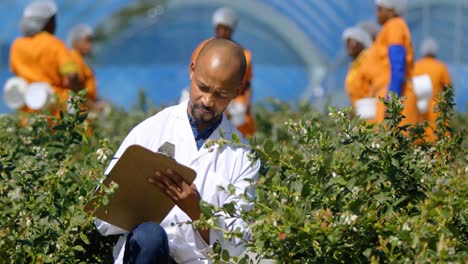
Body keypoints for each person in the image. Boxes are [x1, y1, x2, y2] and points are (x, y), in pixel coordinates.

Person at [95, 38, 261, 264]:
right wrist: (140, 201)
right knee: (149, 236)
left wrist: (198, 213)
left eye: (221, 94)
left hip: (200, 260)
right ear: (192, 71)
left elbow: (237, 245)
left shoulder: (242, 156)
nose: (208, 100)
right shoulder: (151, 130)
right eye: (203, 87)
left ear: (237, 91)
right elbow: (102, 217)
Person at [191, 7, 255, 138]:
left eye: (226, 29)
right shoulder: (204, 49)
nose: (222, 32)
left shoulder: (243, 55)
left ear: (232, 30)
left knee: (237, 135)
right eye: (219, 28)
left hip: (233, 102)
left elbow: (247, 84)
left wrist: (246, 107)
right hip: (211, 100)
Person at [10, 0, 80, 114]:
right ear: (47, 23)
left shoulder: (17, 45)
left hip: (28, 107)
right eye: (53, 20)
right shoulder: (54, 44)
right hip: (54, 106)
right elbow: (72, 75)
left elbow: (16, 72)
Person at [365, 0, 420, 125]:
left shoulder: (394, 26)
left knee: (392, 141)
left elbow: (397, 65)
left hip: (395, 94)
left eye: (380, 9)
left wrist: (391, 102)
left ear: (391, 11)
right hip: (389, 93)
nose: (376, 13)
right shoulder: (390, 28)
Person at [413, 38, 451, 141]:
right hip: (437, 109)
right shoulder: (441, 67)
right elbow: (448, 89)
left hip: (419, 109)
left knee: (420, 140)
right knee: (438, 139)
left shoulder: (416, 66)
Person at [342, 26, 373, 118]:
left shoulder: (368, 59)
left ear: (361, 42)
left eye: (351, 42)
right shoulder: (354, 65)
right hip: (360, 113)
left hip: (370, 111)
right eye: (346, 43)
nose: (347, 46)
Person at [67, 24, 98, 105]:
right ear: (76, 42)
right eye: (87, 41)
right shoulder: (74, 58)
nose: (90, 45)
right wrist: (94, 106)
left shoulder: (80, 60)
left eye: (91, 41)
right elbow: (76, 90)